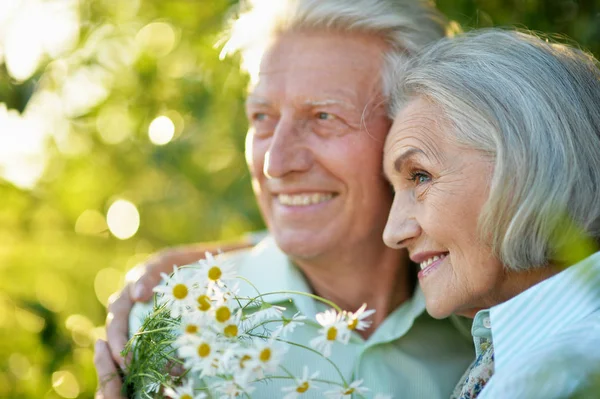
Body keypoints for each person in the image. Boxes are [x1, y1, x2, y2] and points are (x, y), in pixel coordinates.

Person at [94, 0, 475, 398]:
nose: (275, 163)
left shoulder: (487, 321)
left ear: (409, 134)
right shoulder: (174, 326)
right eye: (262, 117)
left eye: (324, 117)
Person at [383, 28, 600, 398]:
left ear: (529, 162)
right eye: (394, 189)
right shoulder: (530, 361)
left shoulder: (560, 375)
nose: (392, 232)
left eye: (420, 176)